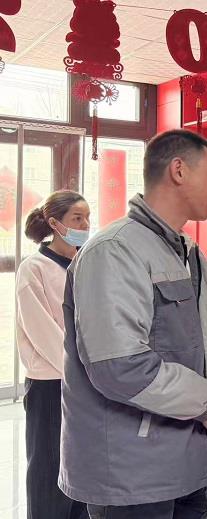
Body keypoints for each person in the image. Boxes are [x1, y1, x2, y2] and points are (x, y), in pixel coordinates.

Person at [59, 129, 207, 519]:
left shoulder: (187, 252)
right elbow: (119, 366)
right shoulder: (115, 251)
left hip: (184, 462)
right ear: (179, 170)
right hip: (130, 473)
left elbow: (166, 333)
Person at [17, 190, 90, 519]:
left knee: (81, 464)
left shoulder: (84, 264)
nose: (85, 225)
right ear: (54, 223)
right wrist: (78, 369)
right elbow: (41, 331)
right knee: (49, 467)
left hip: (85, 380)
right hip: (50, 382)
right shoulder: (33, 268)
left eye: (87, 217)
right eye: (77, 218)